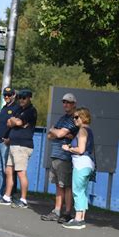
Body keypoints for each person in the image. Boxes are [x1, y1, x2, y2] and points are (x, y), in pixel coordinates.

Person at [0, 89, 38, 208]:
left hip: (23, 145)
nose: (21, 100)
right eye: (20, 98)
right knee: (8, 170)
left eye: (24, 98)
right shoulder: (19, 109)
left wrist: (15, 121)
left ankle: (23, 199)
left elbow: (19, 122)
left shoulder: (31, 111)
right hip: (13, 144)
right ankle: (7, 197)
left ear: (29, 98)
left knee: (21, 172)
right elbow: (9, 123)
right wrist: (15, 121)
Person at [41, 93, 78, 223]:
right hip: (56, 154)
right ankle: (57, 211)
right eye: (64, 102)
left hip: (65, 156)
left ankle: (67, 212)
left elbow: (59, 133)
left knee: (66, 185)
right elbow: (50, 135)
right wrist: (56, 132)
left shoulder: (74, 119)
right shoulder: (62, 118)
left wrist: (56, 131)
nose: (65, 104)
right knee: (58, 185)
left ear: (74, 104)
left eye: (68, 102)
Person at [61, 108, 95, 229]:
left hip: (81, 164)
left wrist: (68, 148)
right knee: (83, 191)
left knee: (77, 191)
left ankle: (77, 219)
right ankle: (82, 218)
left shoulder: (82, 131)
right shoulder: (89, 130)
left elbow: (80, 150)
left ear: (83, 117)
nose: (74, 119)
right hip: (88, 164)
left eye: (76, 117)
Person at [0, 87, 20, 202]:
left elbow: (17, 126)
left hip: (7, 142)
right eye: (5, 95)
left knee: (8, 170)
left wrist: (10, 139)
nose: (6, 97)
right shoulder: (4, 108)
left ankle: (9, 194)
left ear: (13, 95)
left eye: (9, 95)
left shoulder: (16, 108)